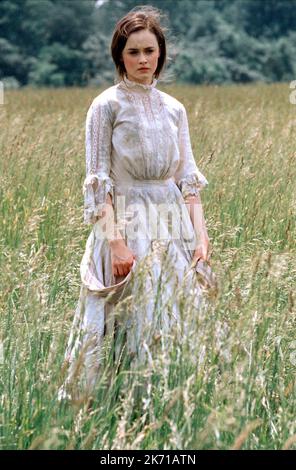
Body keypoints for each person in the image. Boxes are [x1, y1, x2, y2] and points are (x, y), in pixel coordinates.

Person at [58, 6, 211, 402]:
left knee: (177, 319)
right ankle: (117, 408)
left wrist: (201, 241)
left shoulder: (175, 108)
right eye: (133, 52)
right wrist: (114, 243)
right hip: (125, 225)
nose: (143, 60)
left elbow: (188, 181)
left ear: (160, 53)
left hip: (173, 226)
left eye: (149, 51)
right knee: (125, 322)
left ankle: (168, 402)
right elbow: (97, 184)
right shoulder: (106, 105)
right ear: (120, 57)